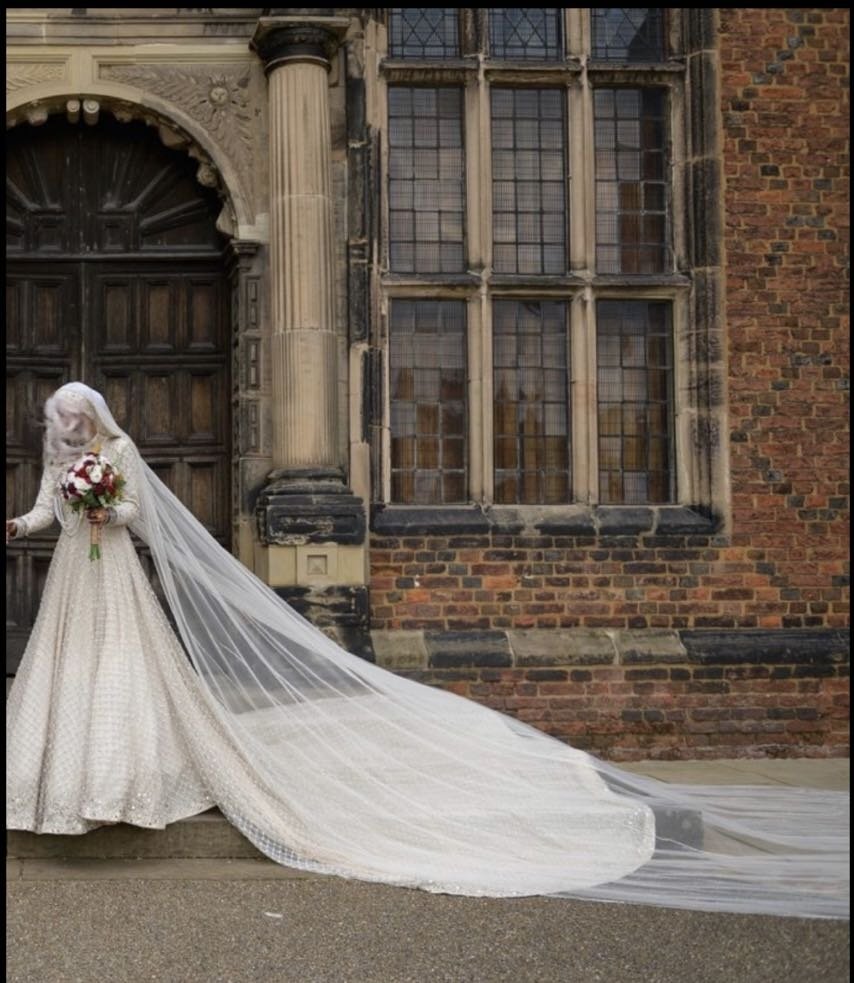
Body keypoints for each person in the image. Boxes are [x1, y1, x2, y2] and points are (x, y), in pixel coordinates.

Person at [6, 382, 849, 919]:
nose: (72, 432)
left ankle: (128, 782)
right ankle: (66, 786)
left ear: (97, 419)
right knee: (68, 674)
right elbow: (50, 512)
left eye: (77, 422)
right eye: (65, 425)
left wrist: (107, 505)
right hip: (75, 587)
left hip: (112, 575)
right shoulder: (64, 464)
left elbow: (136, 521)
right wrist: (28, 521)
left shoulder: (118, 457)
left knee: (126, 673)